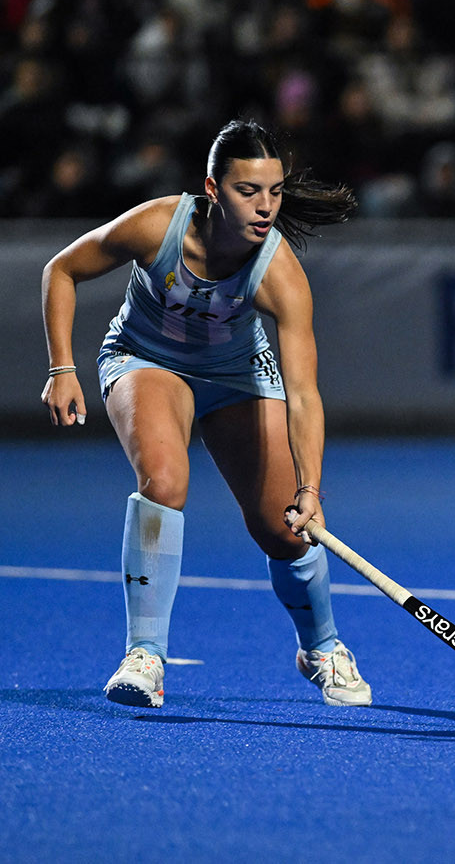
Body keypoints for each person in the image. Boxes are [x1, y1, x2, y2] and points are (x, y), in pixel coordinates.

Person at [40, 119, 373, 709]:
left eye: (274, 191)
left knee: (281, 527)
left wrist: (310, 486)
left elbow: (304, 394)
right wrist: (61, 369)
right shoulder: (155, 225)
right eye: (249, 191)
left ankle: (322, 647)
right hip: (144, 359)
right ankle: (144, 655)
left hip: (237, 374)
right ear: (213, 190)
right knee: (164, 482)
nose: (266, 206)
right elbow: (60, 270)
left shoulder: (280, 273)